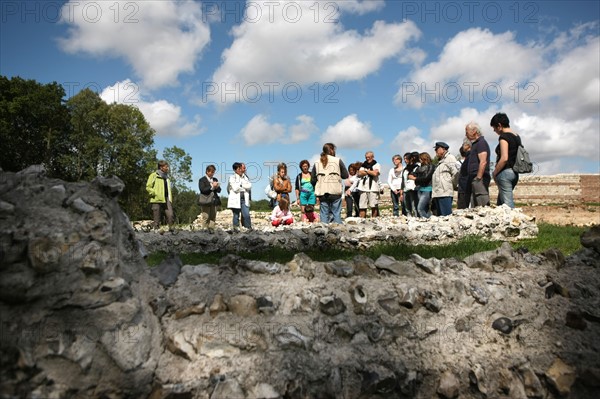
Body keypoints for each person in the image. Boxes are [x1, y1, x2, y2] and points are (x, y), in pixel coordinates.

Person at [311, 143, 349, 224]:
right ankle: (339, 233)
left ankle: (323, 234)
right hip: (335, 191)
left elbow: (313, 180)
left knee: (324, 215)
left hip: (322, 193)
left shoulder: (316, 162)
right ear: (332, 150)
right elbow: (345, 175)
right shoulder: (337, 160)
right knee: (336, 214)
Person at [491, 112, 521, 208]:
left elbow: (504, 158)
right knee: (501, 205)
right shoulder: (517, 136)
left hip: (505, 173)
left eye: (494, 128)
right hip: (515, 173)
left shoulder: (504, 137)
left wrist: (495, 172)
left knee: (508, 206)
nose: (494, 131)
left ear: (499, 125)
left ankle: (515, 222)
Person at [465, 122, 491, 207]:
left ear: (474, 131)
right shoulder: (475, 144)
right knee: (475, 205)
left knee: (482, 204)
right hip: (475, 179)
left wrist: (478, 178)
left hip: (480, 179)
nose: (466, 134)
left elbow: (483, 162)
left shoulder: (481, 143)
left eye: (467, 131)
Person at [431, 142, 458, 216]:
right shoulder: (440, 161)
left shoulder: (450, 158)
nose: (435, 151)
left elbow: (455, 173)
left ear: (443, 149)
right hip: (438, 193)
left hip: (445, 192)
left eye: (437, 149)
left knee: (446, 216)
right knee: (440, 217)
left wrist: (451, 184)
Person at [146, 160, 174, 231]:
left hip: (166, 198)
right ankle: (156, 231)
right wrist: (154, 193)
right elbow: (148, 187)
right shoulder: (153, 175)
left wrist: (170, 198)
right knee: (156, 218)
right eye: (166, 167)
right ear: (161, 167)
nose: (167, 168)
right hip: (156, 198)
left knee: (170, 215)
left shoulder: (167, 177)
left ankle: (171, 229)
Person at [408, 152, 435, 218]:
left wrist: (415, 178)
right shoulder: (419, 168)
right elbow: (412, 174)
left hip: (428, 189)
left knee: (420, 208)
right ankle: (427, 220)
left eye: (420, 159)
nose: (419, 160)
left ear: (424, 159)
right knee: (425, 208)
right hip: (420, 189)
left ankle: (426, 220)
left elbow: (426, 178)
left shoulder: (431, 166)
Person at [227, 162, 252, 230]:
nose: (241, 170)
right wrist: (244, 188)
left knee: (246, 215)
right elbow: (235, 188)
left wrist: (241, 186)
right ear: (235, 170)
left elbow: (250, 186)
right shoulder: (232, 177)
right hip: (236, 200)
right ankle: (236, 229)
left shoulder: (245, 177)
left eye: (241, 168)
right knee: (236, 215)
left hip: (244, 199)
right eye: (239, 168)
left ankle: (248, 229)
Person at [356, 151, 381, 218]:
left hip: (373, 188)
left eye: (369, 157)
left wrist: (366, 171)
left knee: (373, 206)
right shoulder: (363, 165)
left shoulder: (377, 164)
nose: (367, 159)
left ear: (372, 157)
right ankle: (362, 220)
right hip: (363, 188)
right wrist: (370, 171)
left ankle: (374, 220)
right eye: (366, 157)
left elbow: (375, 173)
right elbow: (359, 173)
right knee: (362, 206)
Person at [198, 164, 221, 229]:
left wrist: (216, 186)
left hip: (214, 201)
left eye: (213, 172)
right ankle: (204, 231)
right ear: (207, 171)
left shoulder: (215, 179)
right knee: (206, 217)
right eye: (211, 172)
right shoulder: (202, 180)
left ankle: (211, 231)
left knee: (213, 217)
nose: (212, 173)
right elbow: (202, 190)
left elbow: (219, 190)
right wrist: (211, 186)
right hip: (206, 200)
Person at [401, 152, 420, 217]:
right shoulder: (405, 169)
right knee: (407, 207)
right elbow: (403, 180)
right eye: (404, 159)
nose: (405, 160)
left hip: (413, 189)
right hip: (406, 190)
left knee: (414, 205)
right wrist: (402, 190)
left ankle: (416, 218)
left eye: (406, 158)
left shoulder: (416, 167)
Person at [456, 142, 472, 209]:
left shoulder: (470, 157)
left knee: (463, 207)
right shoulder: (469, 157)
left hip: (465, 186)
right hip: (464, 186)